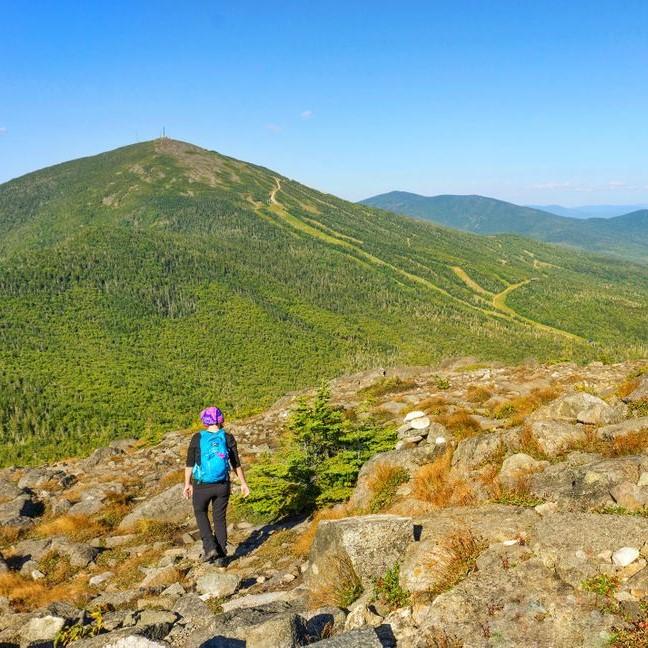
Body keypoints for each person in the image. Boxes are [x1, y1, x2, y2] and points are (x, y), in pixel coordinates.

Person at [183, 406, 250, 565]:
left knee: (200, 512)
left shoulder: (197, 437)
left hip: (202, 485)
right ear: (221, 419)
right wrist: (243, 483)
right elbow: (235, 463)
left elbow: (189, 463)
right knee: (219, 518)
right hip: (222, 485)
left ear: (204, 420)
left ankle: (210, 547)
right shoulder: (227, 437)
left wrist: (187, 483)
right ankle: (221, 556)